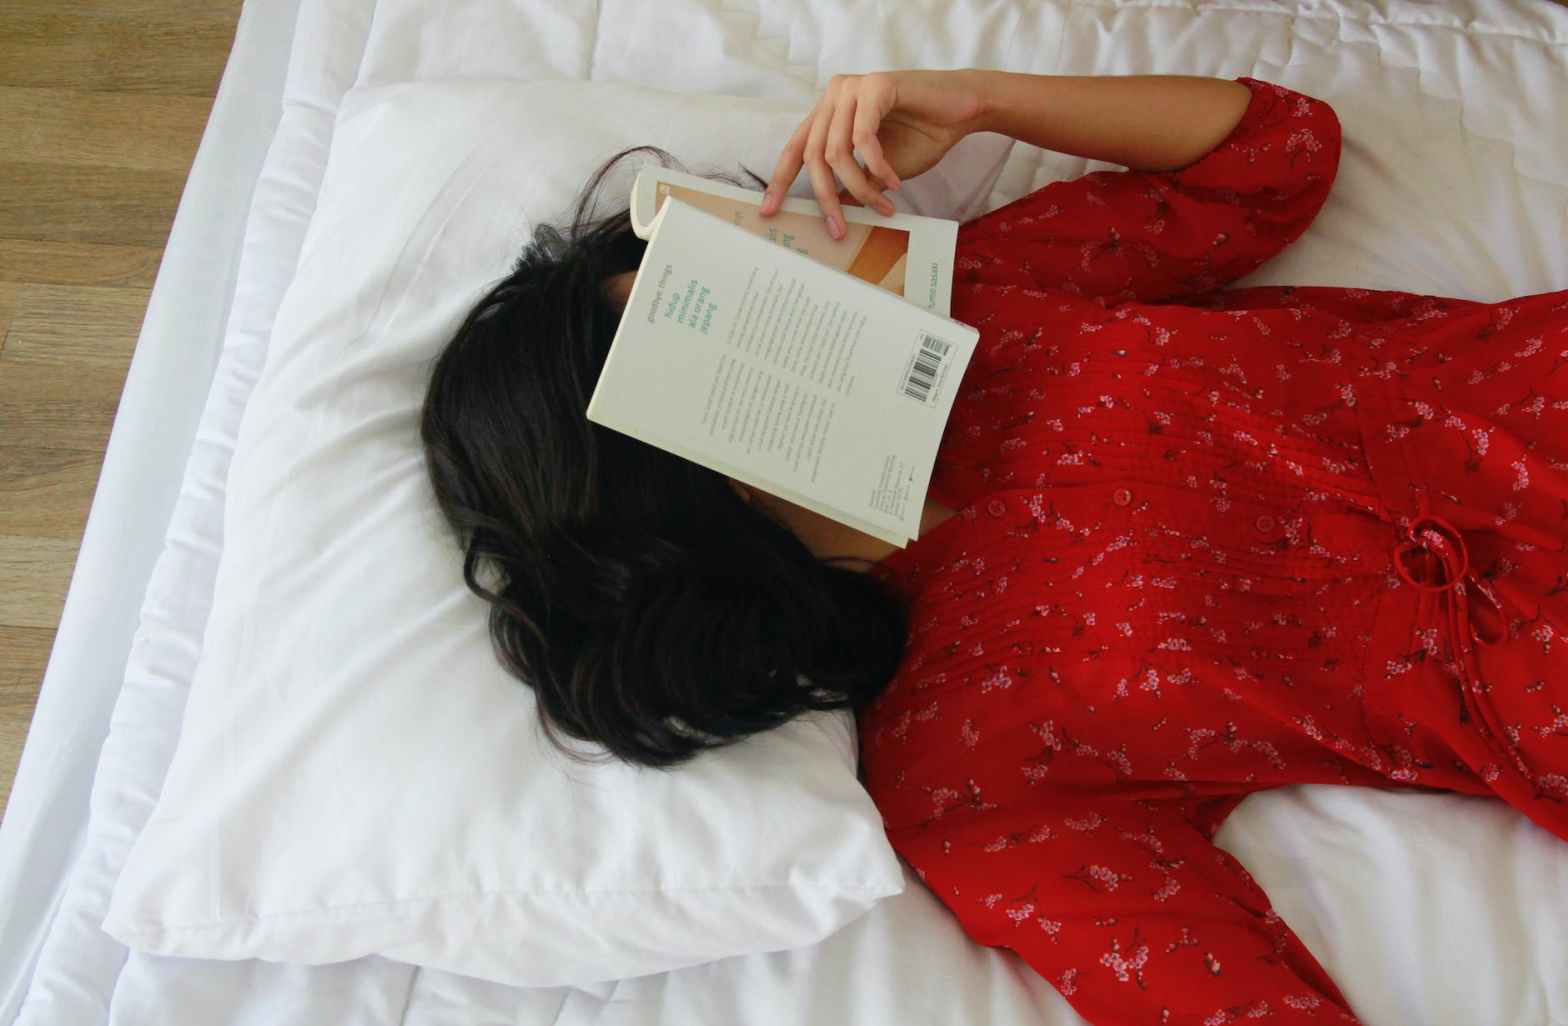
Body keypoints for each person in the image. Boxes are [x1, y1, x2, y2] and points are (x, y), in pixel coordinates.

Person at [421, 69, 1568, 1024]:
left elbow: (1278, 156)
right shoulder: (959, 769)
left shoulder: (964, 301)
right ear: (657, 488)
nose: (765, 305)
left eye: (720, 281)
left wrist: (977, 103)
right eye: (699, 327)